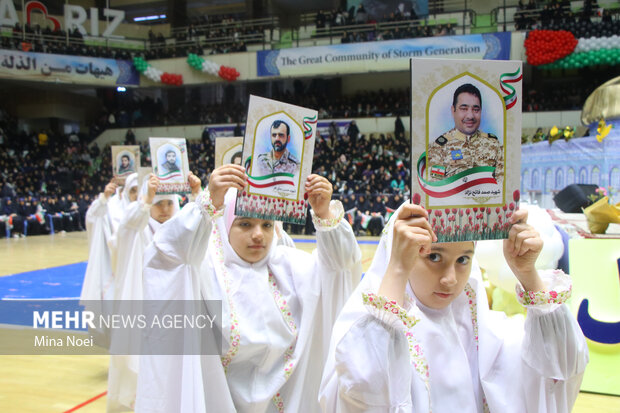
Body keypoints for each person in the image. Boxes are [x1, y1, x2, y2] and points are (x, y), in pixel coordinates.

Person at [319, 203, 588, 412]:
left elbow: (559, 368)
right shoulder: (364, 330)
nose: (450, 279)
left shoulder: (484, 330)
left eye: (462, 260)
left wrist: (528, 274)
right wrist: (398, 270)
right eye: (434, 257)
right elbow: (363, 392)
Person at [136, 164, 362, 413]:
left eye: (266, 225)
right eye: (244, 224)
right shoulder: (204, 271)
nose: (258, 235)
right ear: (224, 226)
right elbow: (166, 256)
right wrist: (207, 203)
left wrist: (324, 214)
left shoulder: (291, 268)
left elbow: (340, 269)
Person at [107, 173, 189, 412]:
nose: (164, 209)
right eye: (158, 203)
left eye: (169, 203)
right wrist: (145, 201)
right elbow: (126, 228)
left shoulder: (181, 230)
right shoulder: (138, 230)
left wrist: (196, 194)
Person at [427, 83, 504, 185]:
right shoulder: (438, 147)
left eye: (476, 109)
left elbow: (502, 185)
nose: (470, 115)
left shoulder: (494, 144)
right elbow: (436, 188)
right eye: (464, 109)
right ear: (453, 111)